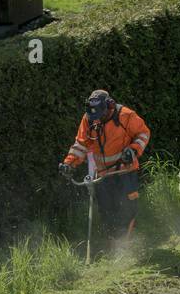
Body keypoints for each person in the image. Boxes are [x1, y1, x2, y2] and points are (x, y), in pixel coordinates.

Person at [59, 89, 150, 239]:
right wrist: (69, 164)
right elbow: (81, 145)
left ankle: (125, 245)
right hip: (103, 174)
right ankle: (112, 243)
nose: (97, 120)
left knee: (127, 208)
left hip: (125, 170)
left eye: (99, 115)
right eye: (94, 116)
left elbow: (143, 133)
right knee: (107, 210)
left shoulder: (126, 116)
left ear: (109, 106)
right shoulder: (89, 119)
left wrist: (133, 150)